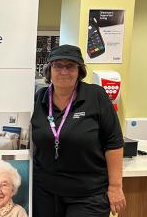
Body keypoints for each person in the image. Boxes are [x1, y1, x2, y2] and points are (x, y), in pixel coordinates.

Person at [31, 44, 126, 217]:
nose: (64, 71)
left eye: (70, 66)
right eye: (58, 65)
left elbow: (114, 143)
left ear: (79, 70)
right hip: (45, 192)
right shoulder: (39, 98)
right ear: (49, 70)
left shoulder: (96, 96)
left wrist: (115, 187)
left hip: (88, 194)